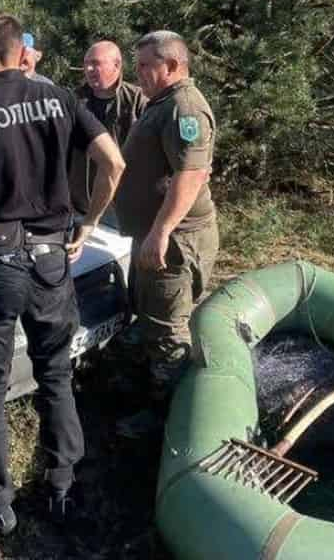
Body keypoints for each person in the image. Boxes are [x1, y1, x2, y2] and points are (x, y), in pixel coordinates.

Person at [0, 12, 125, 534]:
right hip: (49, 258)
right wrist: (87, 224)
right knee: (56, 374)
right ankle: (62, 486)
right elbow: (114, 162)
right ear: (23, 52)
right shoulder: (62, 99)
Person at [112, 31, 219, 439]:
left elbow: (190, 175)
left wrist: (161, 231)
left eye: (144, 66)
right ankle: (145, 387)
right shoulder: (162, 103)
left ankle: (167, 419)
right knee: (151, 313)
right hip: (157, 232)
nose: (138, 74)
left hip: (174, 239)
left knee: (168, 329)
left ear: (172, 65)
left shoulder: (184, 108)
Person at [68, 41, 147, 223]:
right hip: (79, 203)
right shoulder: (73, 100)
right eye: (86, 63)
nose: (88, 68)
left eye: (95, 63)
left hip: (122, 204)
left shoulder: (137, 100)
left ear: (117, 65)